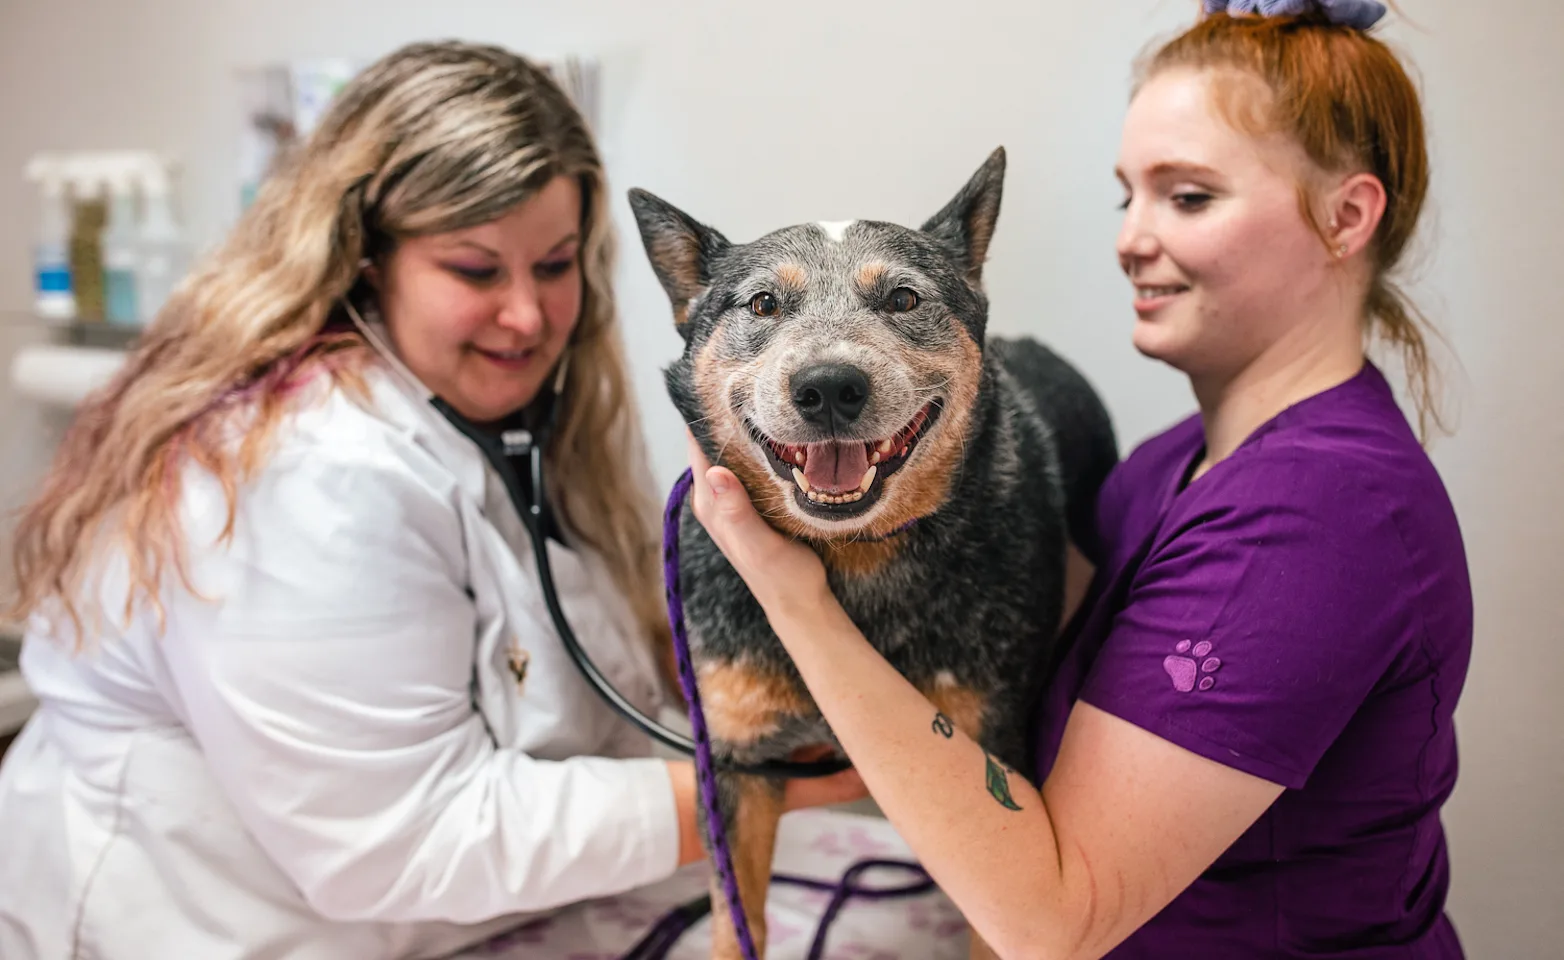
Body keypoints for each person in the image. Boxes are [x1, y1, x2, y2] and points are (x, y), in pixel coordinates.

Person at [0, 41, 862, 960]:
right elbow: (397, 841)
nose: (528, 316)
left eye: (557, 263)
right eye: (475, 270)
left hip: (457, 923)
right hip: (197, 930)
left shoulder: (527, 417)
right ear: (369, 260)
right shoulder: (306, 467)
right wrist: (750, 787)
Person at [684, 3, 1473, 957]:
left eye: (1186, 197)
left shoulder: (1313, 525)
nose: (1133, 239)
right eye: (1125, 196)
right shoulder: (1171, 461)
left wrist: (785, 588)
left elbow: (1056, 917)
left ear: (1346, 216)